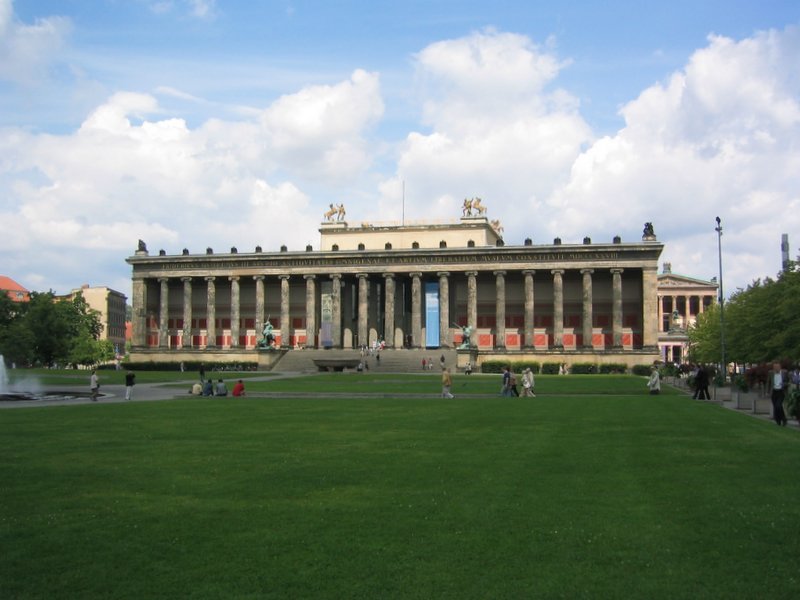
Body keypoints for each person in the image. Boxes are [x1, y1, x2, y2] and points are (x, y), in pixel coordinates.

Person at [767, 362, 789, 426]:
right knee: (776, 407)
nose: (776, 369)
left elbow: (788, 381)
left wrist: (784, 384)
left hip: (781, 392)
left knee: (778, 405)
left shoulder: (784, 372)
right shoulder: (770, 373)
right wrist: (767, 391)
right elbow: (768, 382)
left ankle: (784, 419)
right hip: (774, 392)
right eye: (774, 367)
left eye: (777, 367)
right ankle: (778, 420)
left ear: (780, 367)